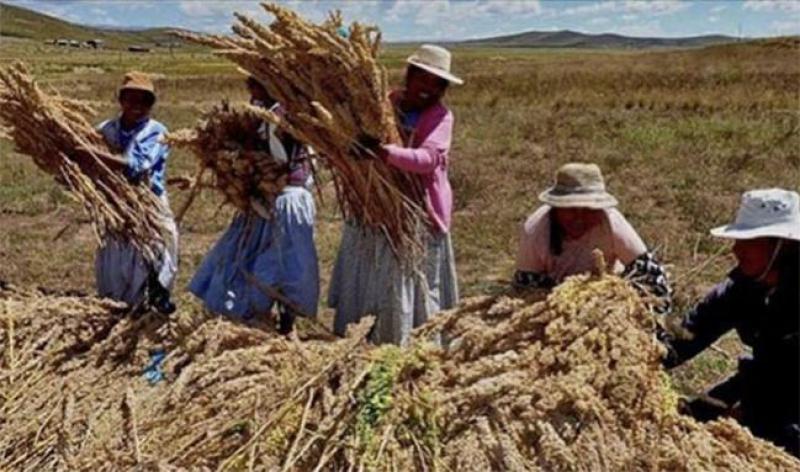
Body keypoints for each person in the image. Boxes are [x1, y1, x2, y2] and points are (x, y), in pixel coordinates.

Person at [329, 44, 462, 345]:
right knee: (373, 271)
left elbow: (429, 160)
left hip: (416, 210)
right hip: (374, 205)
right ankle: (361, 336)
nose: (428, 88)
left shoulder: (440, 116)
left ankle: (407, 341)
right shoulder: (385, 102)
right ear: (409, 75)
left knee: (406, 278)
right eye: (422, 78)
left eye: (437, 83)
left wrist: (383, 154)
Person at [661, 188, 799, 457]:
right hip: (763, 380)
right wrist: (642, 356)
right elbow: (690, 333)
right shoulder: (742, 289)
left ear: (780, 244)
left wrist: (749, 411)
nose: (736, 249)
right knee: (688, 419)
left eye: (748, 241)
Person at [189, 76, 319, 334]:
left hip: (285, 200)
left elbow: (276, 156)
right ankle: (257, 318)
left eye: (257, 83)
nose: (251, 88)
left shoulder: (282, 114)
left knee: (281, 265)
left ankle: (282, 320)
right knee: (257, 258)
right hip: (265, 200)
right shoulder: (264, 109)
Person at [514, 162, 671, 312]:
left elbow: (651, 275)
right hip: (553, 300)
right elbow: (527, 289)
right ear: (557, 208)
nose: (579, 218)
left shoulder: (611, 223)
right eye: (571, 209)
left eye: (588, 210)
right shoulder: (536, 230)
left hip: (607, 297)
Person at [95, 71, 177, 314]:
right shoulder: (105, 129)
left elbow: (137, 167)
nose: (137, 107)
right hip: (115, 205)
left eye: (144, 101)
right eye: (130, 99)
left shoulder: (157, 131)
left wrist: (92, 154)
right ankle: (116, 309)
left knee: (153, 252)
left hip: (148, 202)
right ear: (121, 101)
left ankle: (152, 306)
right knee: (115, 258)